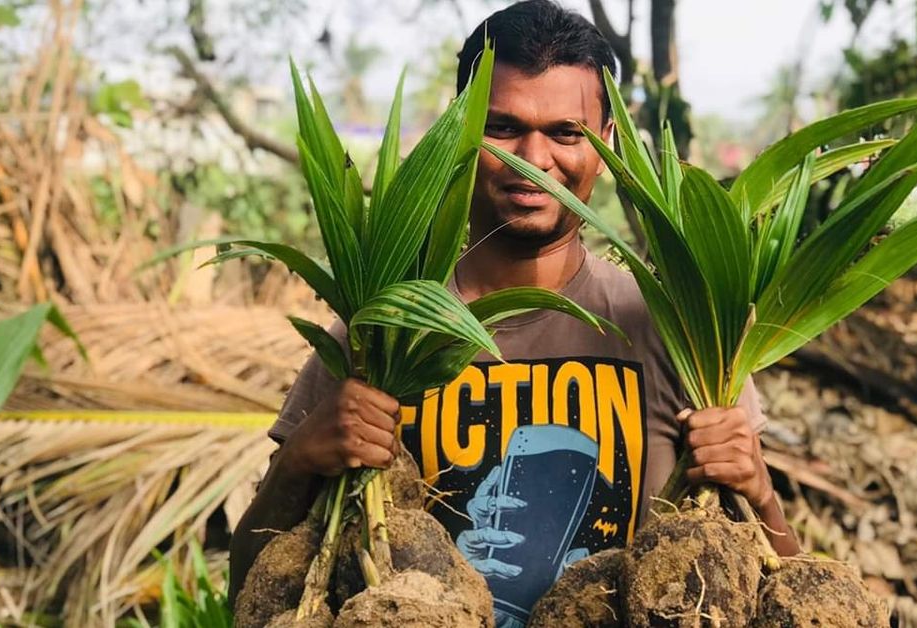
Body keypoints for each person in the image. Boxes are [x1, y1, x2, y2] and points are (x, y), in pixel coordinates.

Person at [229, 1, 799, 624]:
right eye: (502, 127)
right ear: (460, 129)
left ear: (607, 141)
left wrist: (759, 490)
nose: (534, 158)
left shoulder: (675, 333)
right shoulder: (379, 334)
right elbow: (249, 587)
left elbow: (781, 589)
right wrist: (299, 459)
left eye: (565, 132)